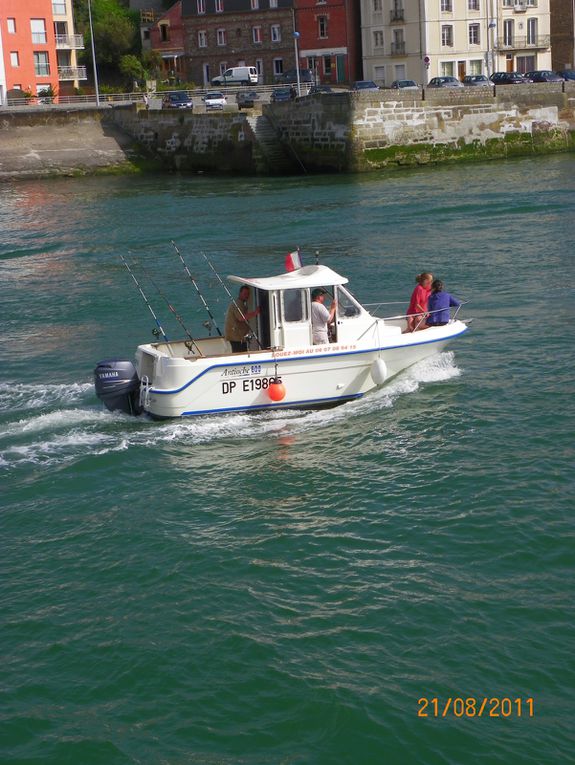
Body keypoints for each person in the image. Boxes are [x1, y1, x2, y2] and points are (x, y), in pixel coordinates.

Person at [224, 285, 260, 353]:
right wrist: (255, 313)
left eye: (248, 294)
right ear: (240, 293)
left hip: (239, 336)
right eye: (245, 294)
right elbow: (241, 318)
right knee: (240, 354)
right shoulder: (238, 303)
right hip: (236, 337)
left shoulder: (242, 303)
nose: (246, 296)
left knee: (242, 352)